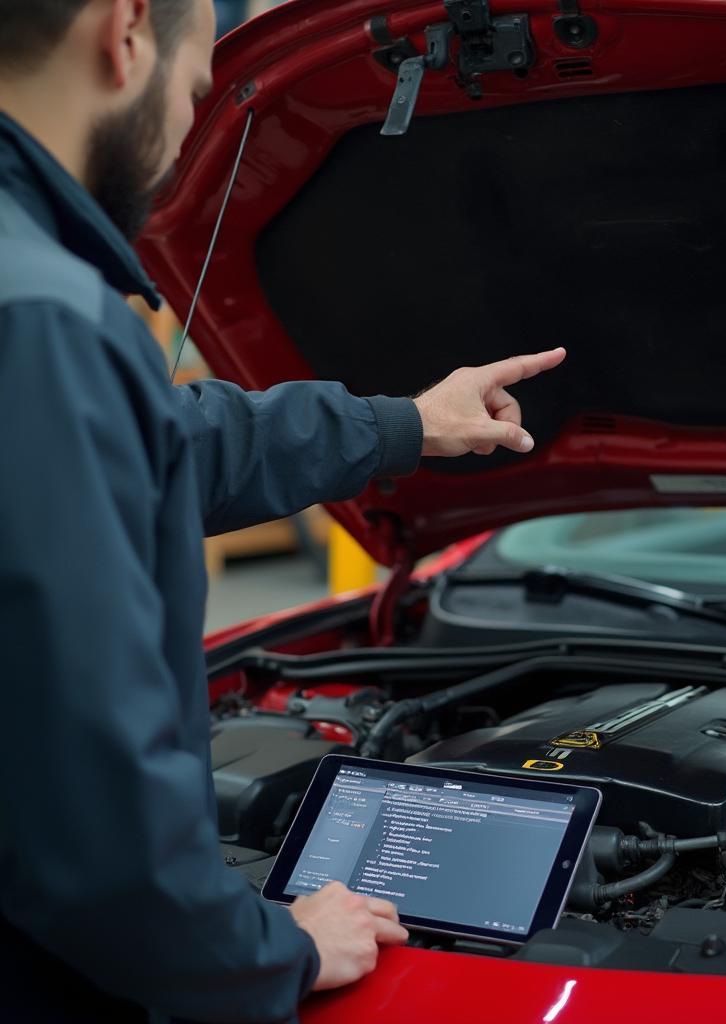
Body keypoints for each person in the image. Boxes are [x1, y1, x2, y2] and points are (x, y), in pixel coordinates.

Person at [0, 1, 567, 1020]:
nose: (189, 120)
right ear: (126, 29)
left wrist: (404, 425)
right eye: (195, 78)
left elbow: (165, 445)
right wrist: (274, 949)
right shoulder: (42, 323)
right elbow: (98, 839)